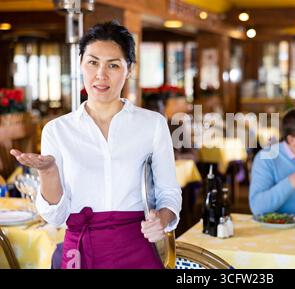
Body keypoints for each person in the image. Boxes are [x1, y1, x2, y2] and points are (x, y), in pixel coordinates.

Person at [10, 21, 181, 269]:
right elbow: (56, 217)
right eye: (93, 62)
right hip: (81, 249)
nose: (101, 74)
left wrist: (162, 218)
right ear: (81, 64)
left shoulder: (152, 124)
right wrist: (48, 173)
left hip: (137, 245)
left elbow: (170, 193)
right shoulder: (57, 131)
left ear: (129, 69)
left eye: (113, 65)